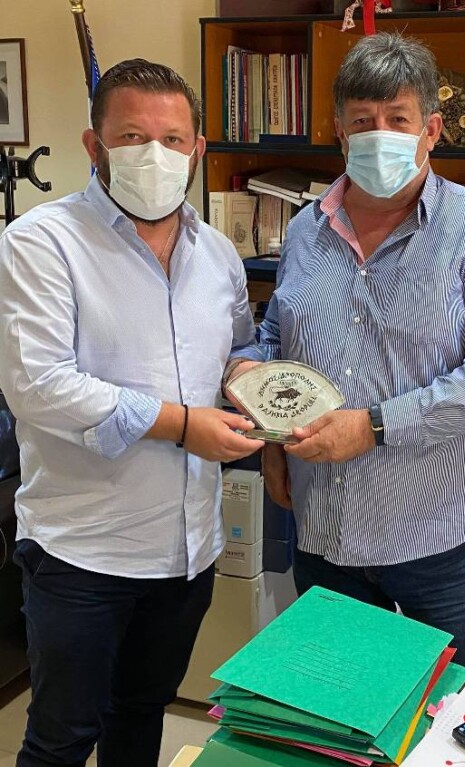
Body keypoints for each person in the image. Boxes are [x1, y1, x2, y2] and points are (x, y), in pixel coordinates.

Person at [225, 32, 465, 675]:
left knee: (464, 714)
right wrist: (256, 390)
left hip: (441, 544)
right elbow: (282, 337)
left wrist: (373, 427)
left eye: (398, 119)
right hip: (323, 536)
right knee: (340, 714)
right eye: (363, 121)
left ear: (431, 130)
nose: (379, 135)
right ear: (339, 132)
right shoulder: (306, 229)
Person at [0, 59, 263, 767]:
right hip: (82, 552)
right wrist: (180, 423)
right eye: (132, 136)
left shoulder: (217, 254)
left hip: (186, 548)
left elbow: (237, 347)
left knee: (141, 715)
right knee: (61, 738)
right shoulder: (40, 242)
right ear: (95, 145)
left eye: (172, 139)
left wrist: (247, 377)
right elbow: (37, 384)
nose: (155, 154)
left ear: (197, 149)